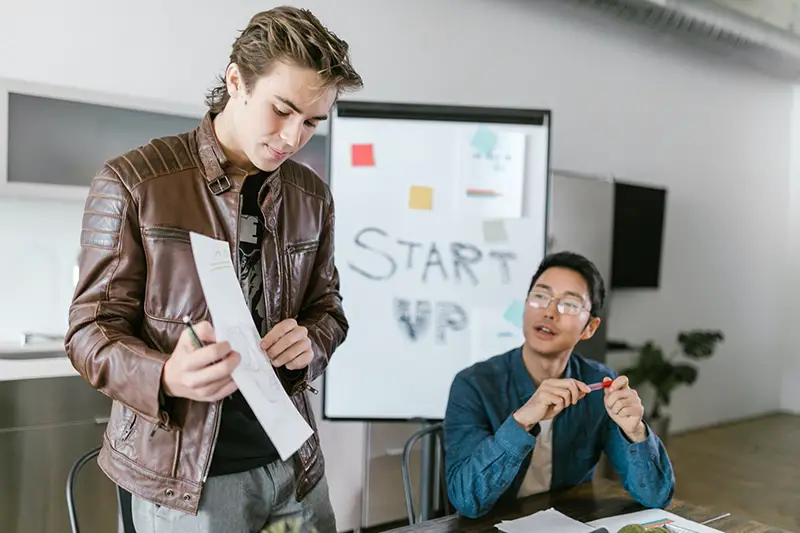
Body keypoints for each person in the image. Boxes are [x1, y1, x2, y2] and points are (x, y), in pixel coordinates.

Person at [65, 6, 362, 533]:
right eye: (282, 110)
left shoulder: (311, 196)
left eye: (312, 122)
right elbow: (89, 333)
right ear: (235, 80)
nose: (293, 138)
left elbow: (329, 311)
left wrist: (311, 341)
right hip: (187, 483)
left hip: (295, 467)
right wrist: (165, 375)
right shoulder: (134, 183)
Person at [443, 251, 675, 519]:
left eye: (570, 304)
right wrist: (522, 421)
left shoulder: (599, 385)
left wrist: (636, 432)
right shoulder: (473, 384)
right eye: (540, 297)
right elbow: (466, 500)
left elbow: (656, 497)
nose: (549, 312)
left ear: (589, 328)